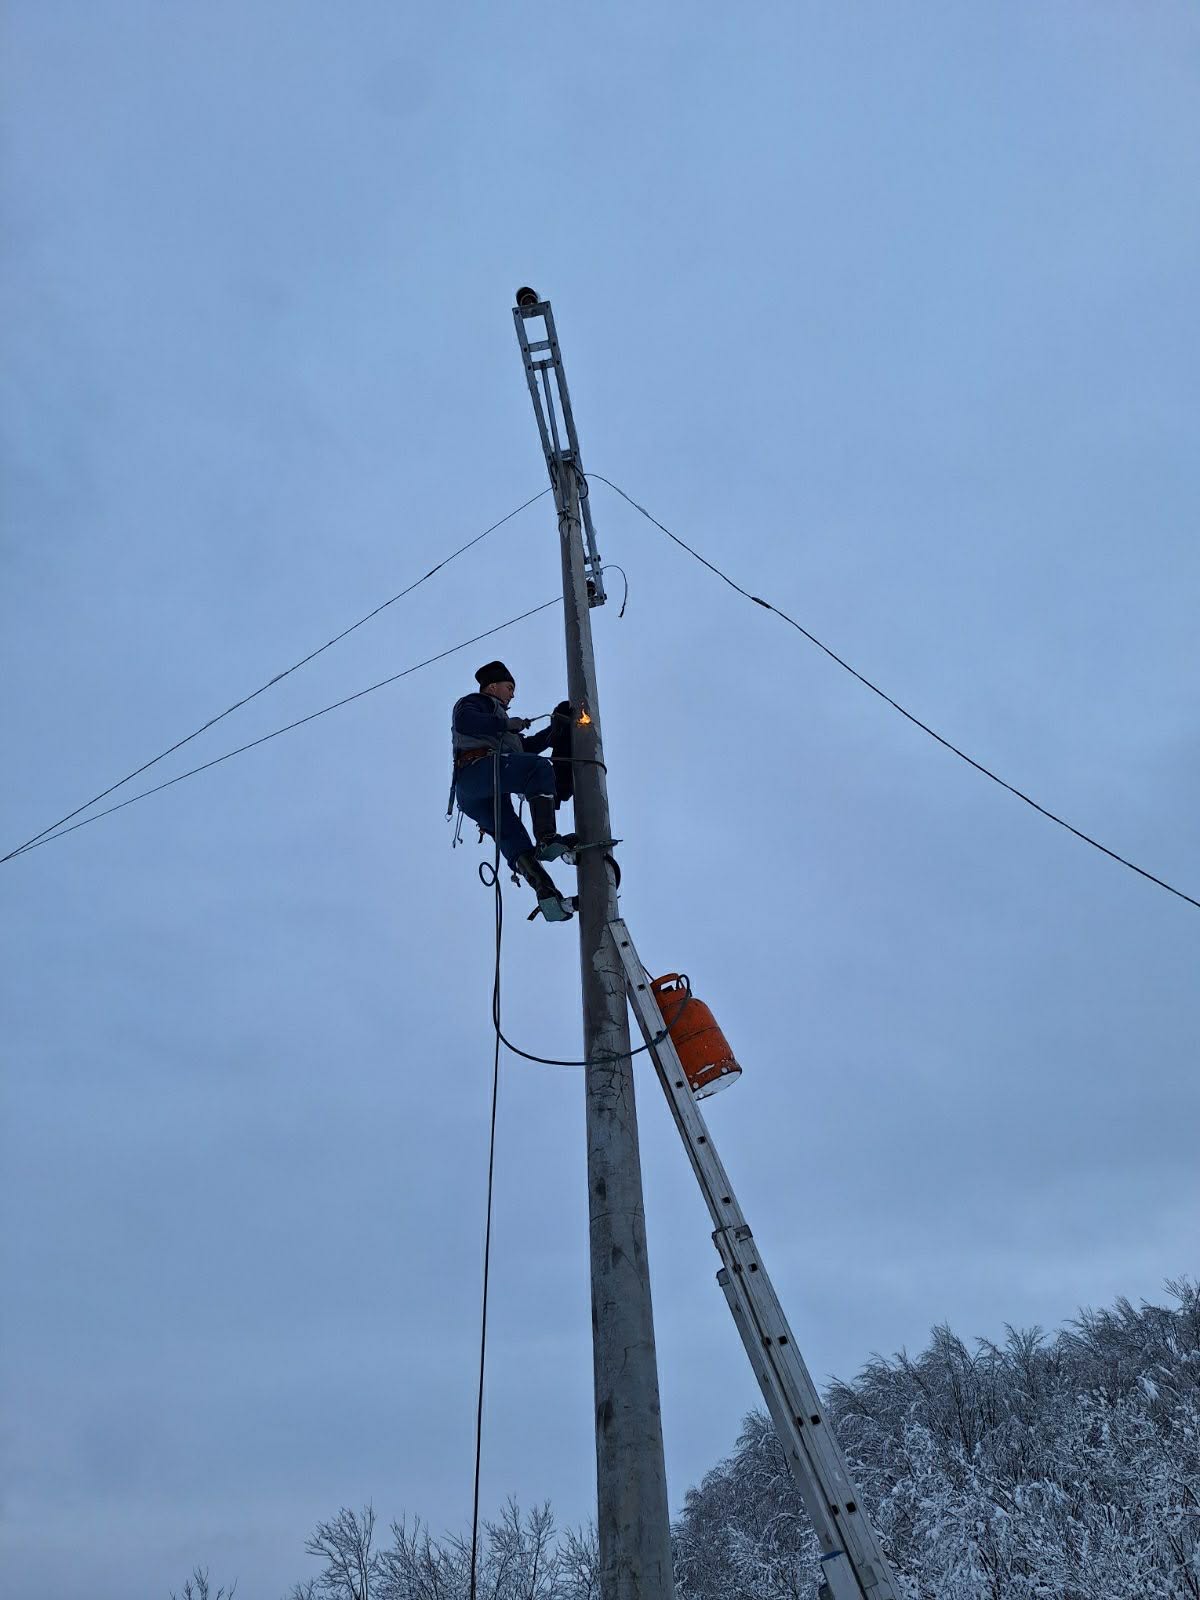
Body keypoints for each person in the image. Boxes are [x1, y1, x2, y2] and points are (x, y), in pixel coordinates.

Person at [450, 661, 575, 921]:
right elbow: (465, 720)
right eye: (509, 688)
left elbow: (527, 747)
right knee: (537, 768)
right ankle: (546, 837)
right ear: (492, 687)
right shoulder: (476, 703)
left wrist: (556, 728)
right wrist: (505, 724)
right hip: (476, 771)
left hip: (481, 790)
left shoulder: (502, 727)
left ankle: (546, 893)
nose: (512, 695)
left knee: (512, 836)